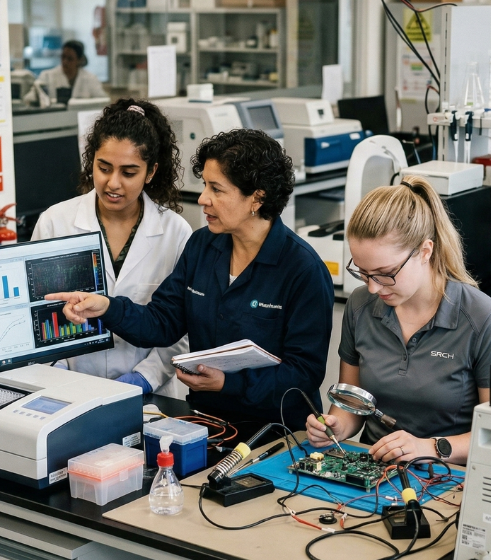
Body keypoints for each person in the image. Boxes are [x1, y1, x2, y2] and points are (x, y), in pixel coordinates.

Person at [46, 128, 334, 430]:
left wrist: (228, 383)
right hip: (207, 422)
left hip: (279, 433)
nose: (203, 199)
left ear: (257, 199)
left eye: (216, 189)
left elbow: (304, 373)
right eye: (204, 185)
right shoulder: (202, 246)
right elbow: (161, 324)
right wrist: (106, 308)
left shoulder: (302, 270)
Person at [305, 176, 491, 464]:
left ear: (425, 251)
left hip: (449, 475)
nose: (373, 288)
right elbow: (353, 406)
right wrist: (336, 427)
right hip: (375, 469)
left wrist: (428, 447)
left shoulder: (485, 321)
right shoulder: (360, 306)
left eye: (385, 273)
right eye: (364, 273)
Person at [32, 99, 191, 397]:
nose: (112, 183)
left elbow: (183, 328)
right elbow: (36, 316)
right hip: (69, 390)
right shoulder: (56, 222)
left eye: (129, 173)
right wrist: (56, 369)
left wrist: (145, 378)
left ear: (151, 171)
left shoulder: (175, 232)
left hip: (151, 395)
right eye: (104, 168)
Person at [24, 40, 106, 104]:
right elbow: (29, 98)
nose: (65, 62)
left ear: (79, 60)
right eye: (63, 57)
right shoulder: (47, 76)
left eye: (70, 59)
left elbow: (103, 101)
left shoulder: (90, 79)